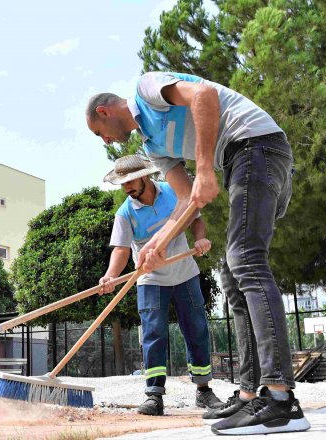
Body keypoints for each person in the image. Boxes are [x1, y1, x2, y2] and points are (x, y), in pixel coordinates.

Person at [86, 72, 310, 435]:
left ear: (104, 112)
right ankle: (251, 392)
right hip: (239, 157)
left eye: (100, 132)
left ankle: (281, 400)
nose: (106, 140)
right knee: (233, 277)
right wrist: (158, 245)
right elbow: (186, 200)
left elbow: (204, 94)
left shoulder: (145, 90)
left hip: (257, 145)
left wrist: (205, 168)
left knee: (246, 260)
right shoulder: (153, 148)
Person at [98, 154, 223, 416]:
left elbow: (196, 219)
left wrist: (200, 240)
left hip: (185, 273)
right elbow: (121, 250)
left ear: (144, 176)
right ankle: (154, 395)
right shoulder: (125, 213)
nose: (127, 188)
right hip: (150, 279)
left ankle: (203, 390)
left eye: (130, 181)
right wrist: (110, 275)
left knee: (197, 329)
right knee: (154, 334)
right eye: (123, 183)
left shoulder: (173, 191)